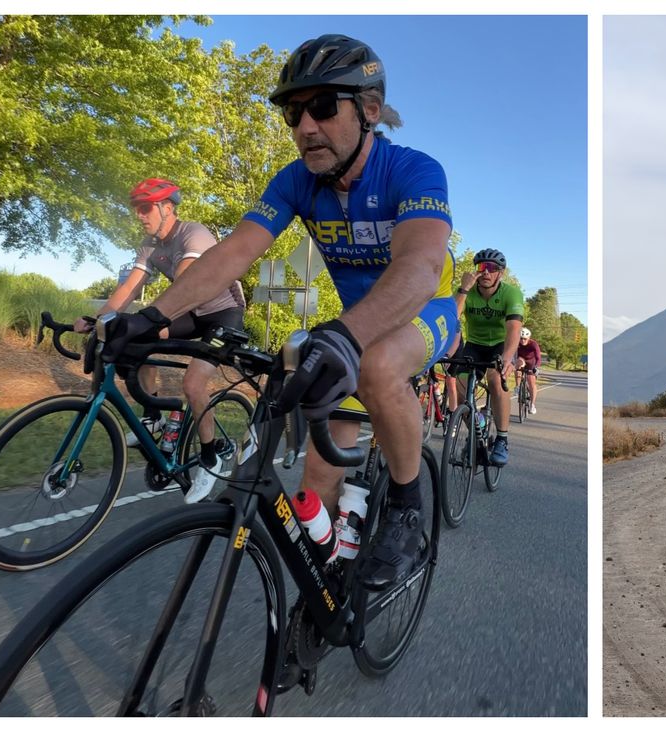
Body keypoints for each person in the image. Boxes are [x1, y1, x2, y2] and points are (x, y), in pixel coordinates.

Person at [101, 34, 457, 595]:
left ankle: (408, 507)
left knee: (379, 364)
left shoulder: (413, 170)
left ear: (368, 110)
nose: (305, 127)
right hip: (353, 325)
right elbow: (233, 253)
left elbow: (419, 266)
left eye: (321, 107)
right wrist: (150, 317)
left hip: (420, 311)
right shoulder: (295, 181)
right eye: (294, 112)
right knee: (314, 485)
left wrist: (344, 335)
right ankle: (328, 592)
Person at [75, 178, 246, 503]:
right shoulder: (150, 245)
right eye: (136, 209)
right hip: (190, 313)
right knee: (136, 341)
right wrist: (101, 320)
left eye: (145, 208)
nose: (139, 215)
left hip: (223, 313)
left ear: (168, 208)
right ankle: (153, 417)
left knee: (194, 385)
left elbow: (182, 284)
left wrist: (139, 320)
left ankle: (213, 454)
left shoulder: (192, 234)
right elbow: (128, 289)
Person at [451, 250, 523, 466]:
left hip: (500, 345)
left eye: (491, 268)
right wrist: (463, 289)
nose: (485, 272)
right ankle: (478, 425)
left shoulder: (511, 294)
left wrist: (507, 359)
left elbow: (514, 330)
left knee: (495, 380)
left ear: (500, 273)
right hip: (474, 345)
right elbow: (451, 319)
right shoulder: (467, 291)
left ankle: (502, 439)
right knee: (460, 390)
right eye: (481, 267)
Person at [515, 327, 541, 414]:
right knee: (518, 365)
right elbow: (513, 355)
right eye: (521, 338)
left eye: (525, 339)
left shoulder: (533, 344)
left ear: (528, 338)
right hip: (521, 360)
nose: (522, 341)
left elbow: (538, 357)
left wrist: (536, 367)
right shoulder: (517, 343)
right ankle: (518, 387)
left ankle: (532, 405)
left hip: (531, 363)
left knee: (531, 382)